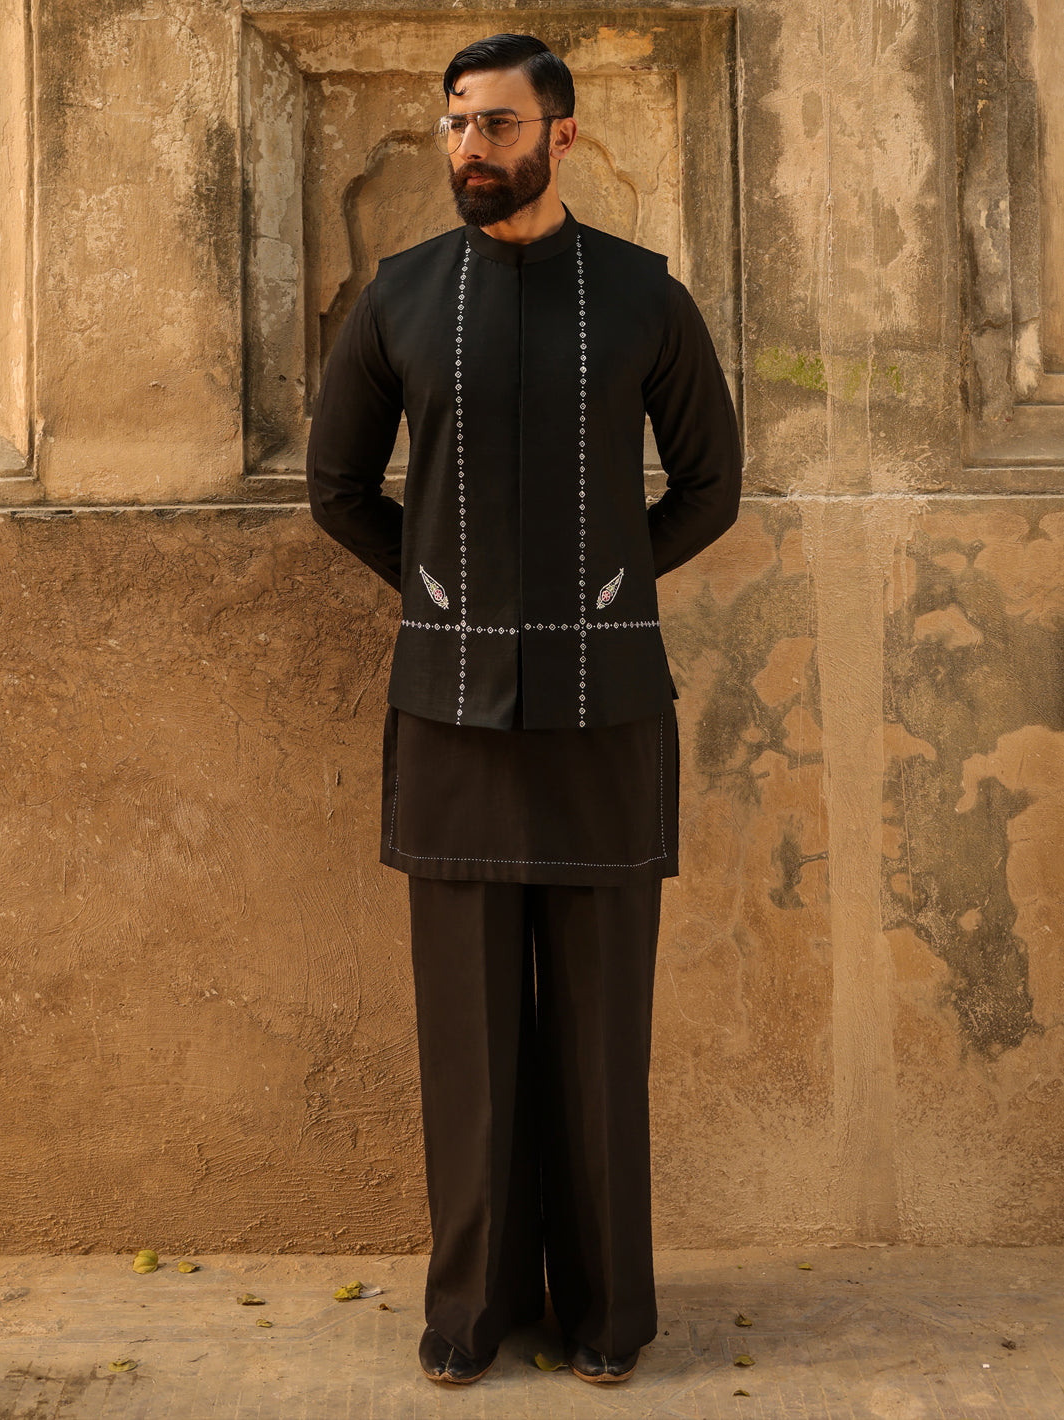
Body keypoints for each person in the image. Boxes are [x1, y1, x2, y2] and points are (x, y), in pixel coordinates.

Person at [306, 32, 742, 1387]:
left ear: (562, 134)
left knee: (602, 1033)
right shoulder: (396, 297)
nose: (468, 147)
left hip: (609, 714)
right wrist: (440, 595)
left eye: (495, 123)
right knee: (470, 1037)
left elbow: (712, 485)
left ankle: (607, 1315)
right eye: (454, 123)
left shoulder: (645, 295)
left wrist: (609, 585)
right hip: (447, 718)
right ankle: (470, 1313)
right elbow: (336, 488)